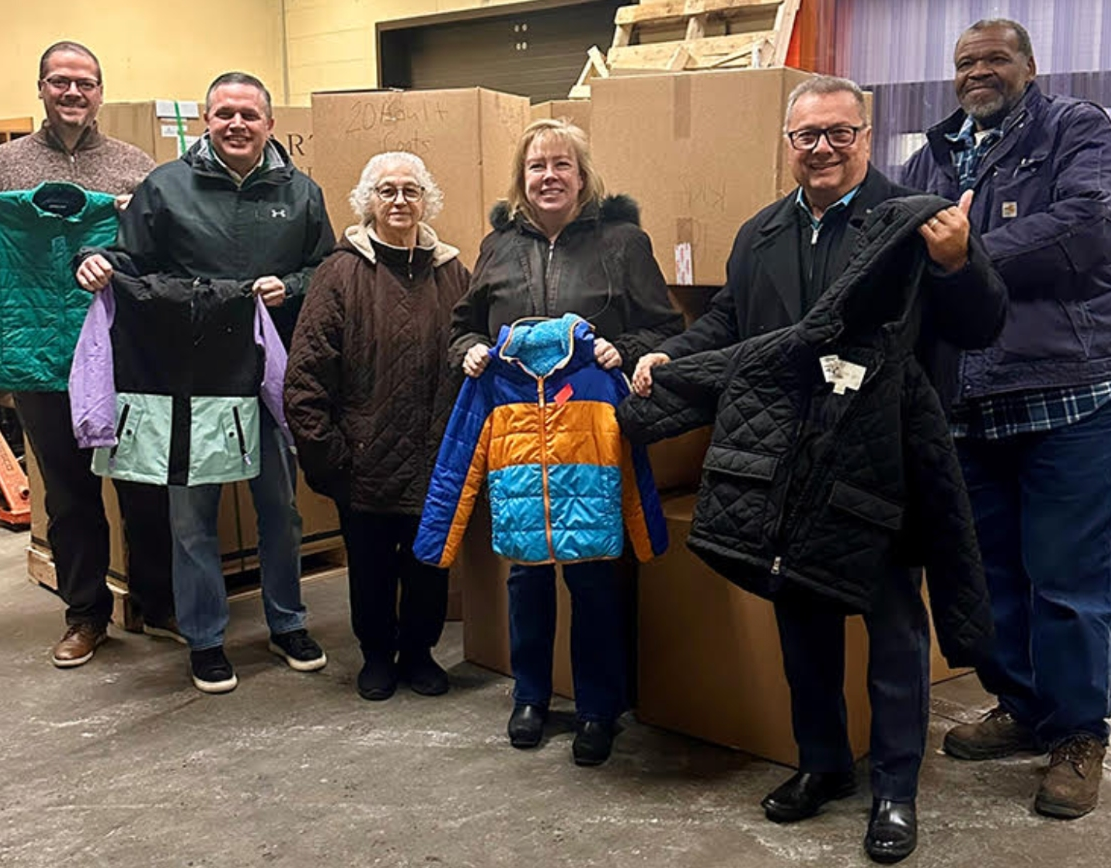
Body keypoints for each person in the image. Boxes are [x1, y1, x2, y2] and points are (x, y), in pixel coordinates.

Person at [633, 76, 1006, 863]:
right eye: (807, 136)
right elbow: (734, 323)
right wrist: (673, 356)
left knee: (894, 628)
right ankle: (824, 765)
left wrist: (956, 261)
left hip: (880, 460)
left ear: (865, 138)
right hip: (786, 460)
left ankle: (896, 789)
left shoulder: (914, 220)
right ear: (788, 143)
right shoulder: (761, 232)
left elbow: (981, 325)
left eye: (840, 133)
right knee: (800, 619)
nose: (823, 149)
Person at [901, 18, 1111, 821]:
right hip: (967, 402)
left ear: (1029, 66)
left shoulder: (1077, 129)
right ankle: (1025, 708)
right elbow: (896, 250)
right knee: (990, 576)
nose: (978, 72)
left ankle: (1077, 736)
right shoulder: (929, 156)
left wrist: (967, 253)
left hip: (1070, 392)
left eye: (994, 58)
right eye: (965, 62)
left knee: (1070, 582)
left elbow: (1089, 228)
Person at [76, 71, 335, 694]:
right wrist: (98, 263)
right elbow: (130, 258)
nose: (237, 124)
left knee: (281, 508)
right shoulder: (165, 187)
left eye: (249, 114)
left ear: (270, 125)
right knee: (193, 516)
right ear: (206, 122)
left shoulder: (300, 193)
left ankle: (288, 621)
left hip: (268, 372)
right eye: (224, 114)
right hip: (188, 375)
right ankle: (205, 638)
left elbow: (327, 267)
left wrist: (290, 287)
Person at [450, 118, 682, 766]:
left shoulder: (624, 242)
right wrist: (468, 351)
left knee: (593, 575)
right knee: (525, 575)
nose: (548, 176)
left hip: (588, 434)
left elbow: (664, 327)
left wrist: (624, 348)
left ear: (583, 176)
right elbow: (461, 326)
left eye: (561, 165)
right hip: (518, 435)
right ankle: (529, 695)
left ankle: (597, 708)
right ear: (521, 179)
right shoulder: (495, 247)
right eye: (535, 166)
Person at [0, 41, 174, 667]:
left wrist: (137, 222)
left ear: (100, 92)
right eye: (60, 82)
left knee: (143, 483)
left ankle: (157, 602)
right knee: (67, 494)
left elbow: (164, 254)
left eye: (85, 83)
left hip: (122, 353)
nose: (72, 93)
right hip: (40, 359)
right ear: (40, 88)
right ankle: (86, 615)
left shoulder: (135, 166)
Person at [285, 152, 468, 701]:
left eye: (411, 191)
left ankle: (419, 653)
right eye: (386, 191)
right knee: (369, 568)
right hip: (362, 462)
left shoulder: (453, 273)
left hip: (436, 455)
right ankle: (376, 656)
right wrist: (333, 458)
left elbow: (472, 350)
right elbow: (306, 376)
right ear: (368, 201)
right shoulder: (340, 273)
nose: (399, 202)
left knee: (428, 564)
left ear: (426, 201)